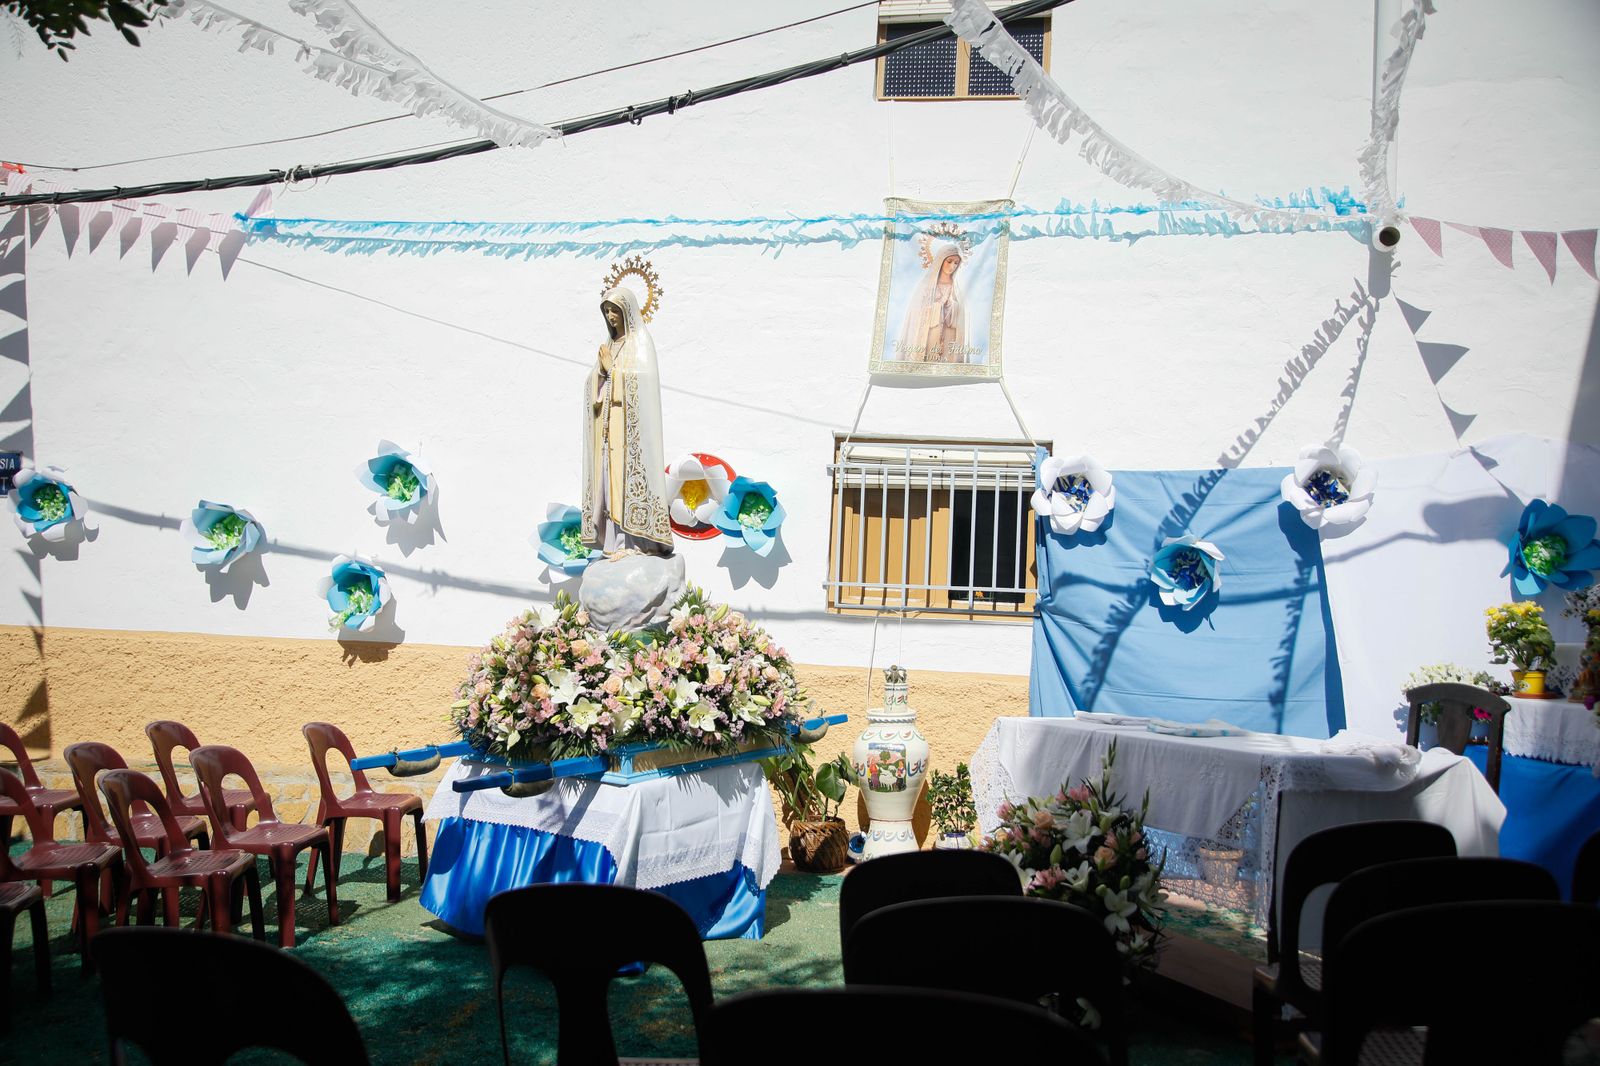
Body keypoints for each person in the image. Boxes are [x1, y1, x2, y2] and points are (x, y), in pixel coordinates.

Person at [581, 286, 672, 555]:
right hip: (609, 431)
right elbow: (592, 385)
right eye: (606, 311)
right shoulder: (609, 346)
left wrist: (613, 371)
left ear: (627, 311)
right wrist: (599, 372)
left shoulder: (640, 342)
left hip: (630, 436)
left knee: (626, 484)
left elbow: (644, 382)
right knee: (608, 485)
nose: (610, 316)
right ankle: (614, 543)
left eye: (615, 310)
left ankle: (636, 543)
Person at [894, 241, 968, 362]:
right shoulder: (926, 285)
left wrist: (951, 306)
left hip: (950, 338)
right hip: (929, 335)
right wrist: (937, 307)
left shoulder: (957, 288)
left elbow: (962, 316)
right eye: (949, 261)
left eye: (956, 263)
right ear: (941, 260)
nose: (952, 266)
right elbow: (916, 312)